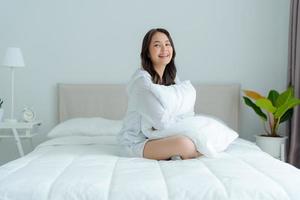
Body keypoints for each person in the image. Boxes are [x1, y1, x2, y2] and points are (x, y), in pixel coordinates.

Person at [118, 28, 201, 160]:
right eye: (157, 45)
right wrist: (184, 127)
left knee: (200, 136)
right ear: (148, 53)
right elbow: (161, 122)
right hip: (136, 143)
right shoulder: (141, 82)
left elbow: (184, 112)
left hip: (159, 137)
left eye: (167, 44)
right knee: (186, 145)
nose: (164, 49)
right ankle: (192, 151)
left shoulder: (172, 79)